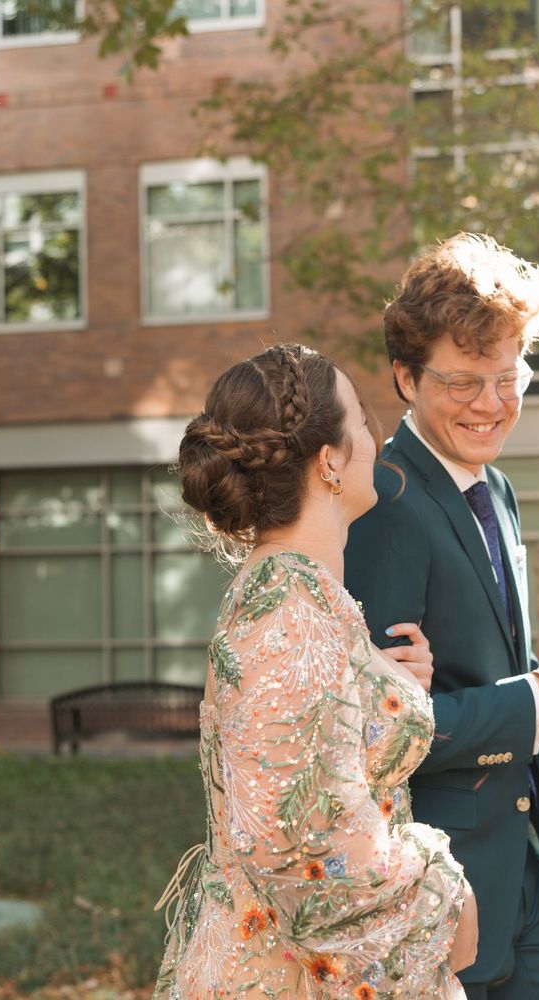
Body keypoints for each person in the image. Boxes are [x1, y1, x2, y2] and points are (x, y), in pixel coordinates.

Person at [154, 343, 477, 999]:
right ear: (329, 461)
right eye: (361, 420)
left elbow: (304, 766)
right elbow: (300, 857)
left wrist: (385, 689)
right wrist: (447, 897)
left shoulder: (305, 598)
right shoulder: (286, 612)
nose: (375, 438)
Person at [345, 233, 539, 999]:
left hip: (526, 877)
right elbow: (383, 734)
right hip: (436, 892)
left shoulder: (498, 493)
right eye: (465, 382)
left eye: (509, 377)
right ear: (405, 376)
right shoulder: (384, 506)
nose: (493, 405)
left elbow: (515, 680)